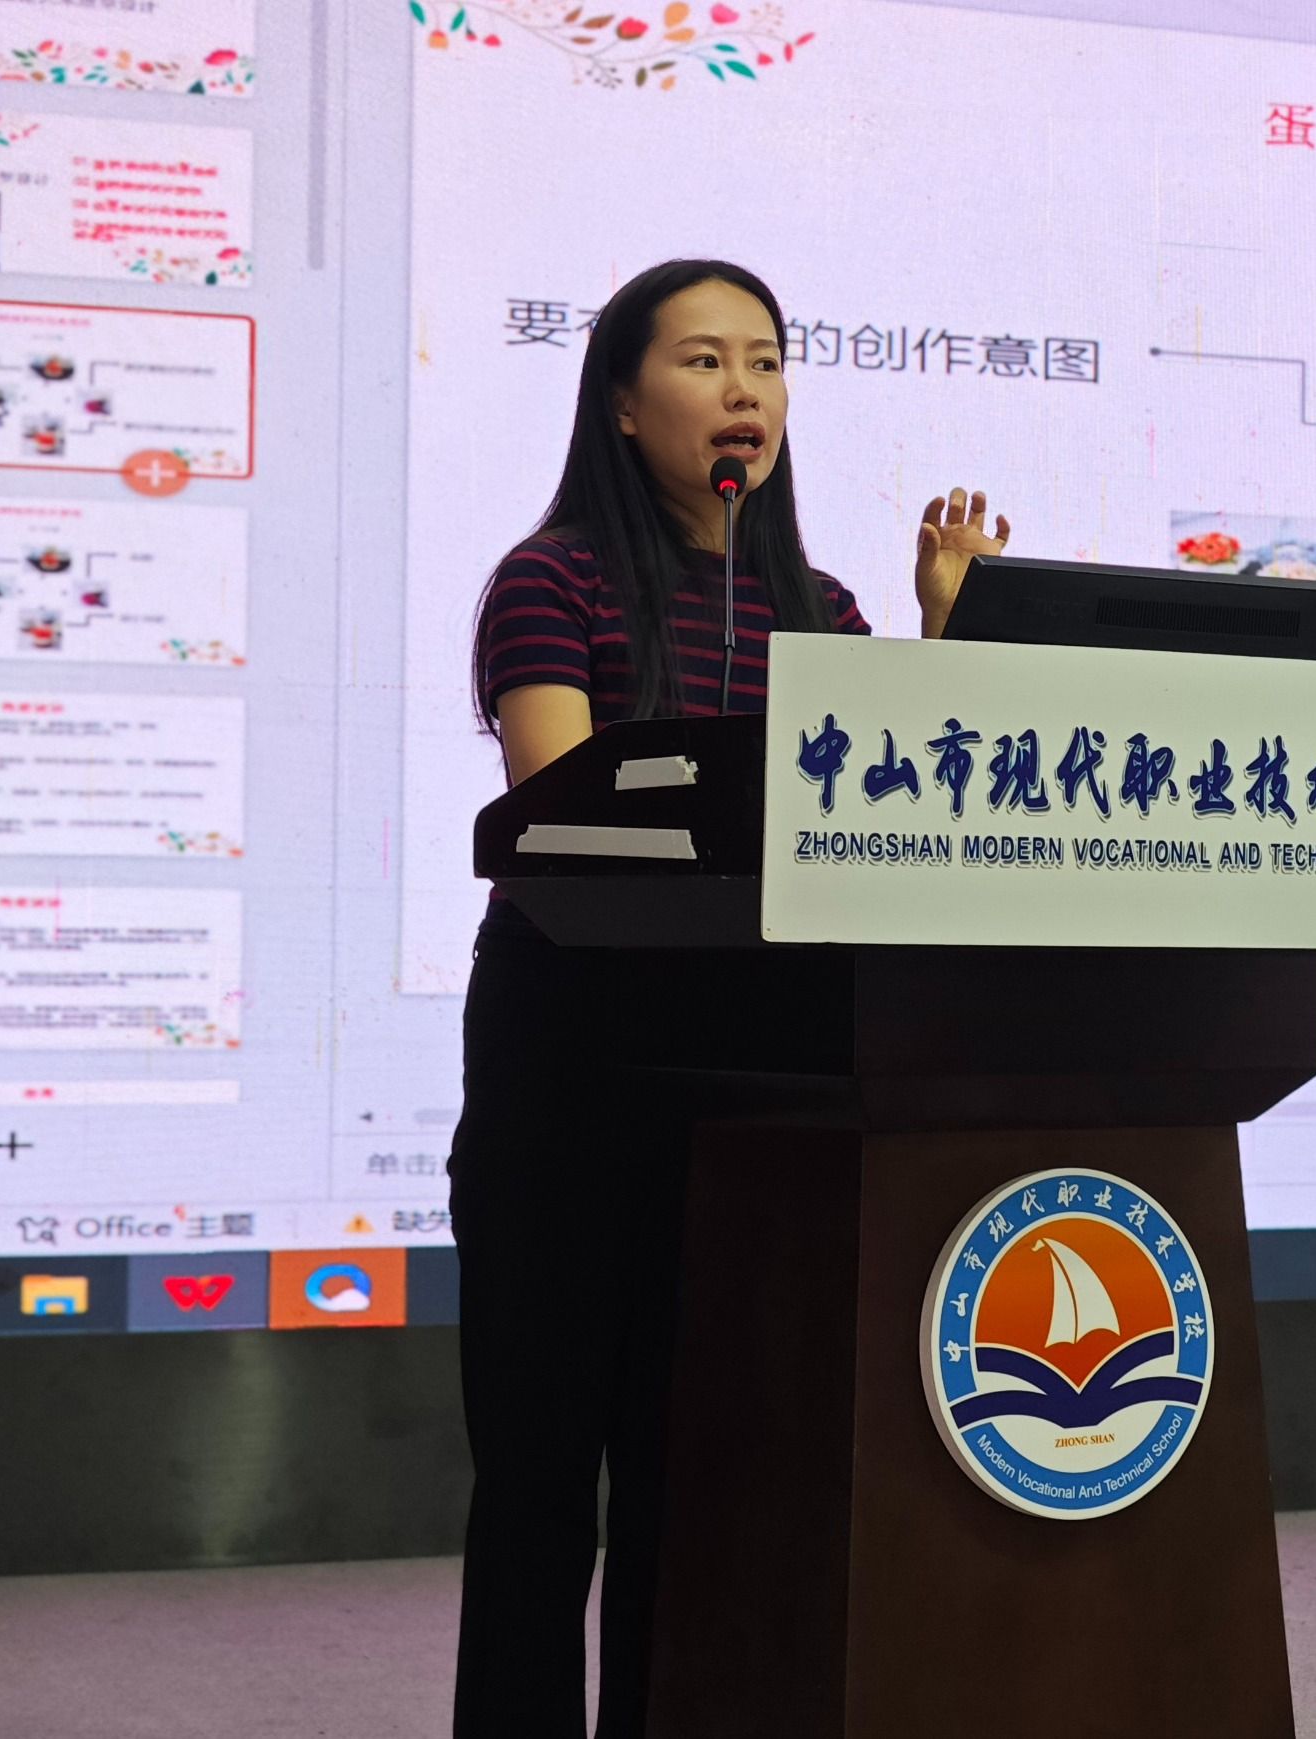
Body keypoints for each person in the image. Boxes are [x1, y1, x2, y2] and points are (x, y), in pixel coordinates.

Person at [449, 256, 1009, 1737]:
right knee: (542, 1484)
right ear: (624, 405)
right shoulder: (553, 577)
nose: (743, 390)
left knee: (696, 1483)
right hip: (571, 1063)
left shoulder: (818, 608)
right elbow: (559, 800)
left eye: (764, 360)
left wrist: (944, 634)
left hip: (756, 1074)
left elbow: (904, 804)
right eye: (702, 360)